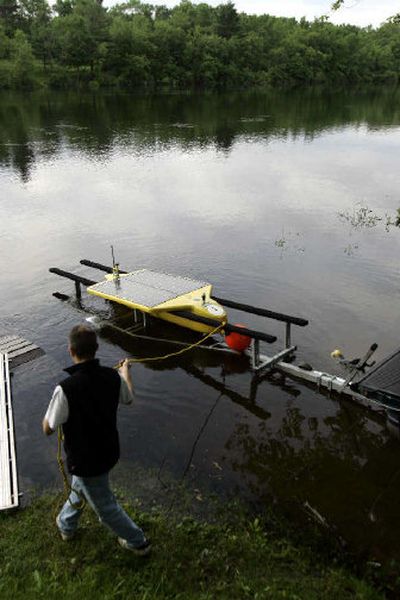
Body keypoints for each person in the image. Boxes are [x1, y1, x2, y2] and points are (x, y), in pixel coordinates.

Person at [42, 324, 151, 556]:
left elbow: (47, 429)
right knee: (81, 487)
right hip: (108, 452)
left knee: (105, 507)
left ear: (71, 350)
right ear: (97, 348)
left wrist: (53, 412)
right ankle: (66, 524)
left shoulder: (65, 389)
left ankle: (138, 541)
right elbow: (128, 398)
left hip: (86, 460)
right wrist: (125, 373)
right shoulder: (112, 377)